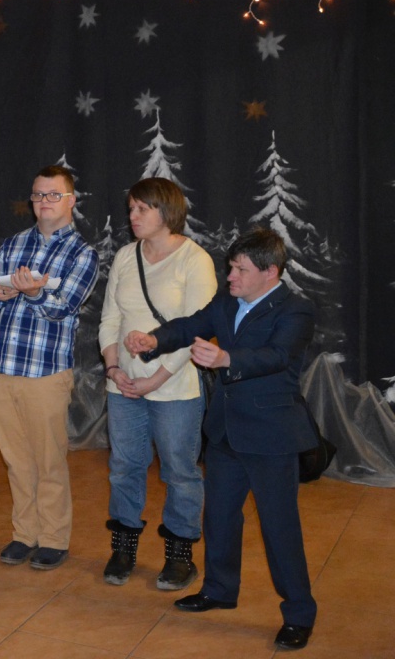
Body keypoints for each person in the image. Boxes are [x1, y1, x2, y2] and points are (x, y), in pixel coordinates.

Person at [124, 227, 319, 652]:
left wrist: (227, 357)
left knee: (280, 528)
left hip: (270, 436)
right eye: (231, 267)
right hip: (226, 430)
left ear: (270, 272)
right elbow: (192, 325)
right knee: (219, 518)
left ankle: (299, 614)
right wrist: (154, 339)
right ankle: (219, 590)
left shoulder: (296, 309)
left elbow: (278, 356)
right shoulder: (228, 301)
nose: (230, 276)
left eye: (240, 270)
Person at [97, 178, 217, 589]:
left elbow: (197, 329)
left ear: (167, 212)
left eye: (141, 209)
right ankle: (123, 550)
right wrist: (114, 368)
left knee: (180, 471)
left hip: (175, 389)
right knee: (123, 467)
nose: (132, 216)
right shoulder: (125, 256)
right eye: (131, 208)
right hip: (123, 386)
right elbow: (110, 318)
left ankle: (180, 556)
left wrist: (156, 379)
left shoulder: (194, 260)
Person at [0, 165, 98, 571]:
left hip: (45, 371)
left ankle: (53, 538)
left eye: (53, 195)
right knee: (15, 459)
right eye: (38, 195)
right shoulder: (14, 244)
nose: (44, 202)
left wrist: (30, 294)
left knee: (48, 460)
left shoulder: (82, 253)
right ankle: (24, 534)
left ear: (71, 201)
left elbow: (64, 307)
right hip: (2, 366)